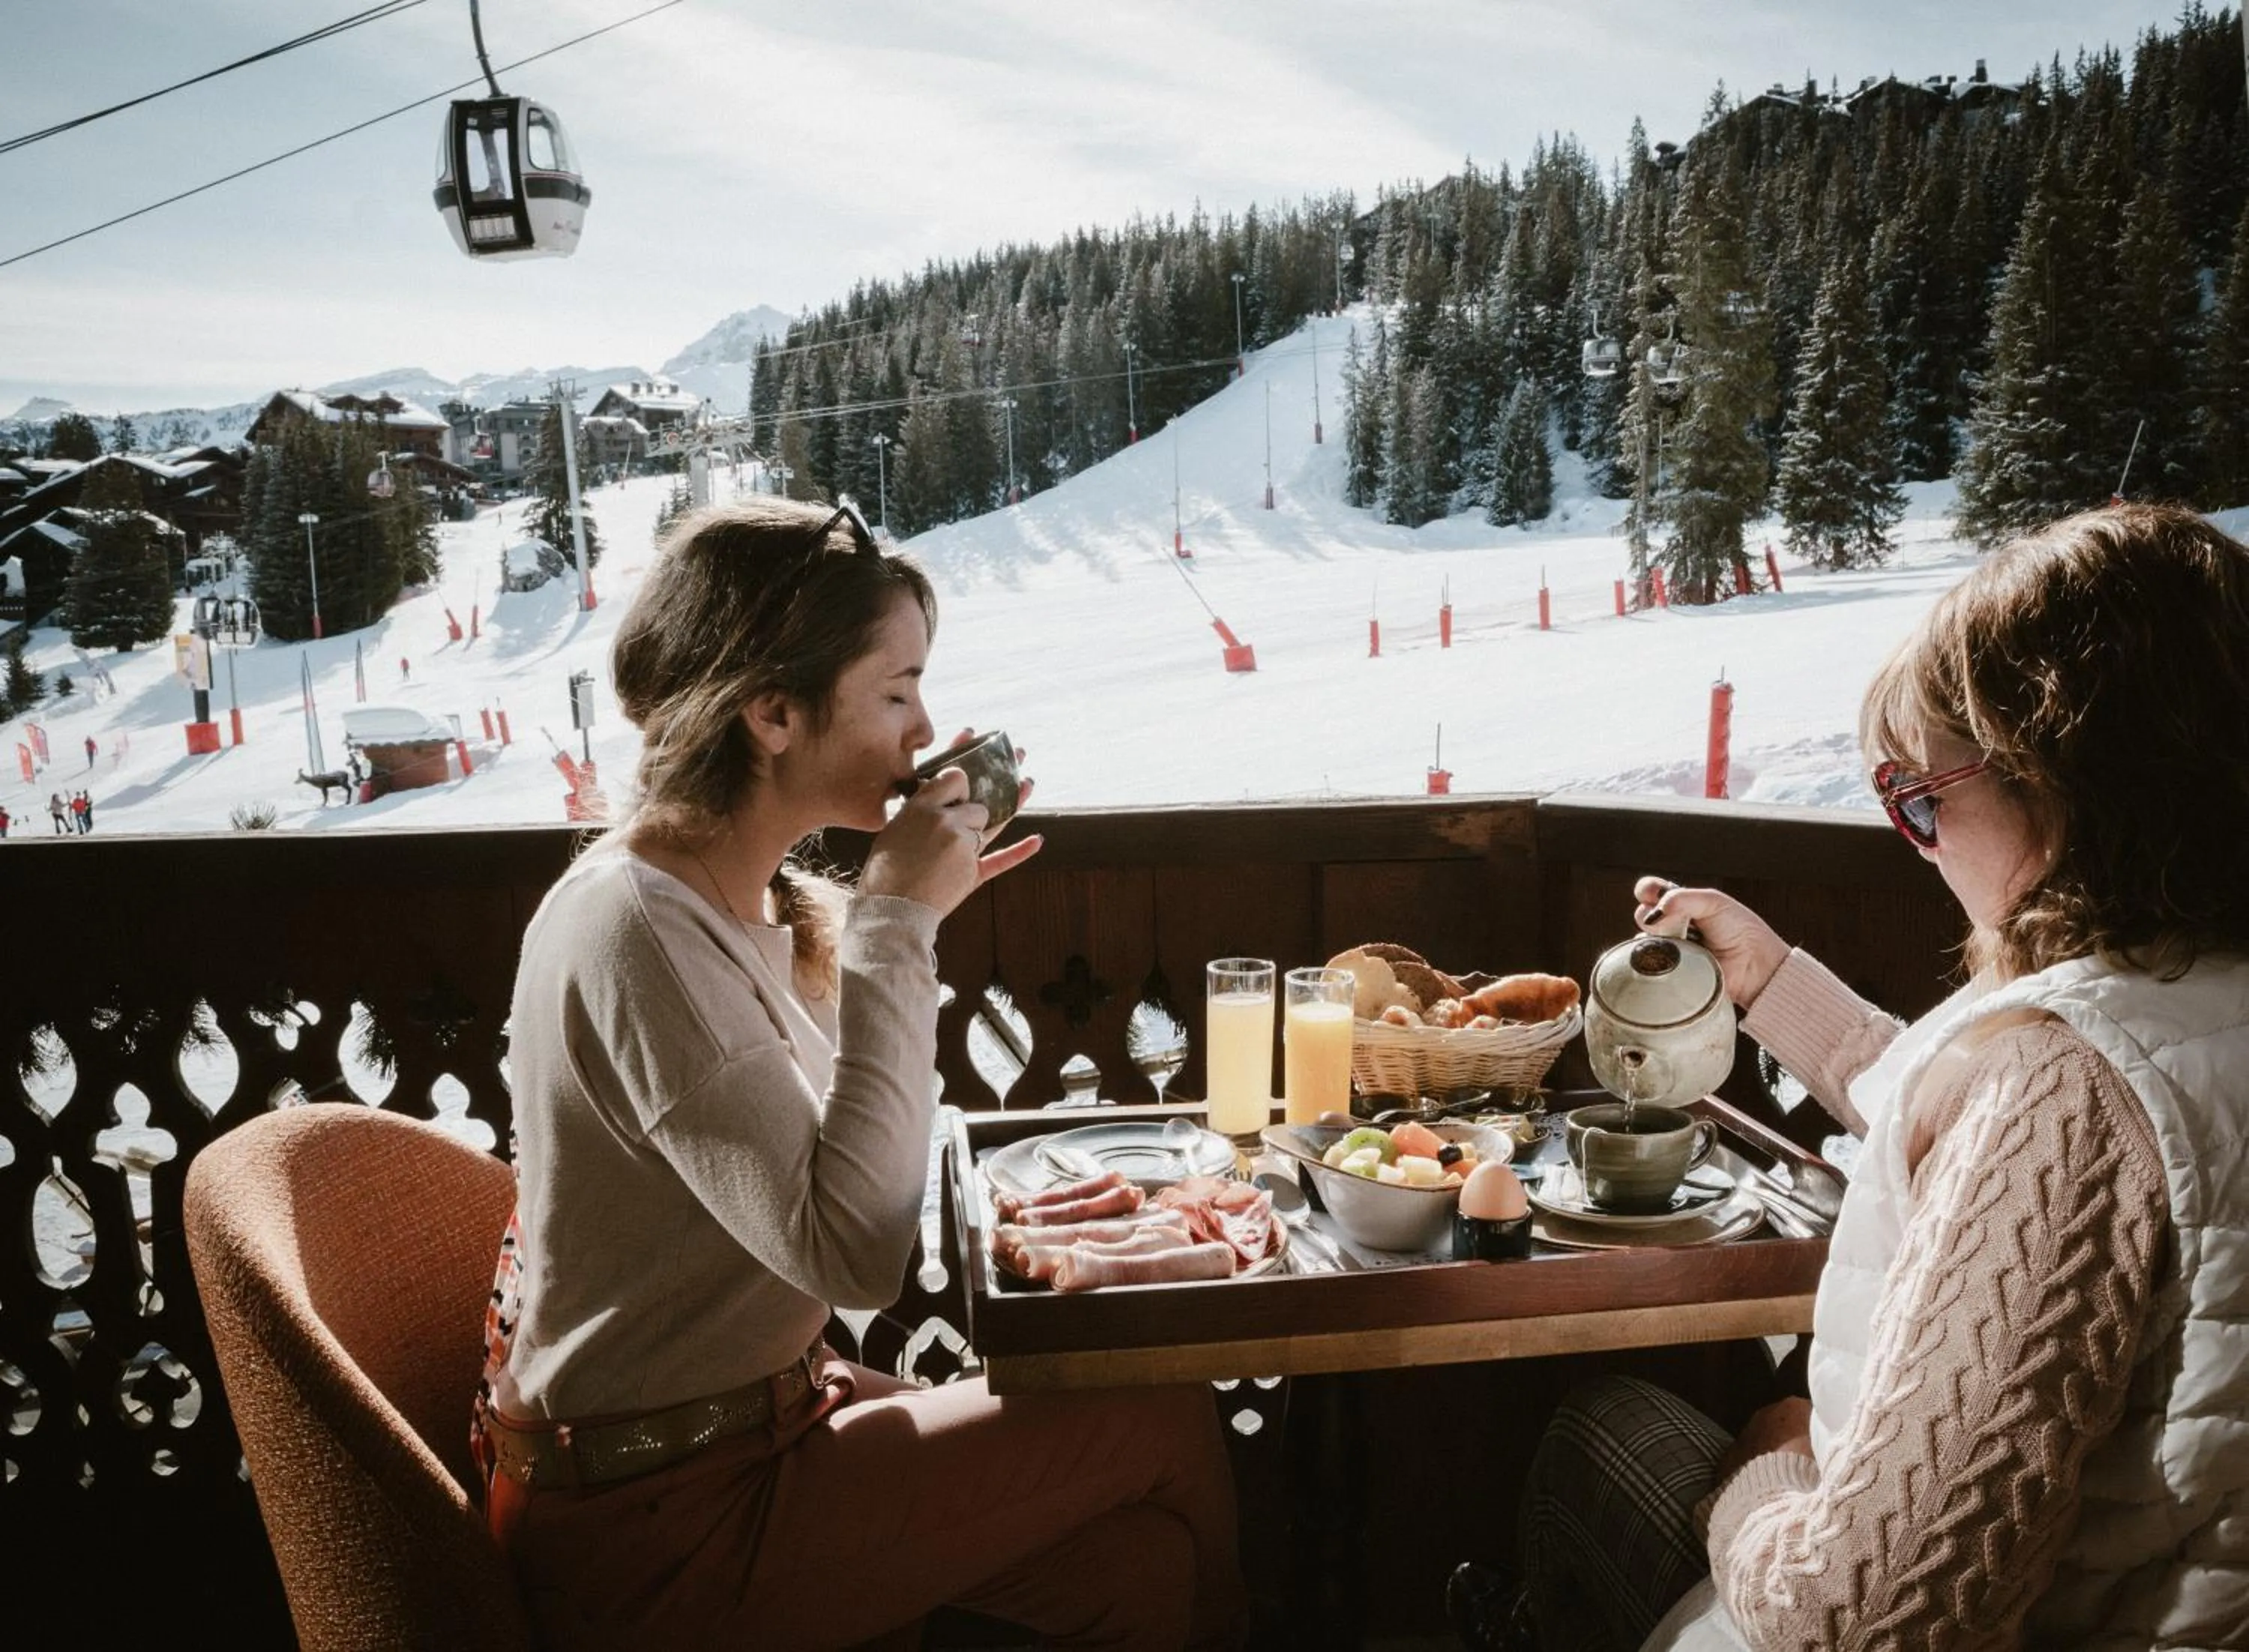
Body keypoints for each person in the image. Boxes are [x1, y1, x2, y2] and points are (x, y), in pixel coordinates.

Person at [476, 496, 1246, 1651]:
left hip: (764, 1427)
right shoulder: (640, 931)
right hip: (655, 1524)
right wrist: (896, 928)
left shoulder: (740, 900)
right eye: (896, 693)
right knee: (1157, 1407)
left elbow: (846, 1160)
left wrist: (900, 928)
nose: (924, 727)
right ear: (773, 714)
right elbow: (858, 1254)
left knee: (1133, 1572)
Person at [1489, 504, 2249, 1652]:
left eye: (1921, 800)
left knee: (1598, 1436)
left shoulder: (2069, 1086)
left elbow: (1863, 1618)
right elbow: (2015, 1143)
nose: (1917, 840)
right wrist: (1775, 982)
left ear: (2068, 782)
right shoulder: (2178, 1013)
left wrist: (1771, 1469)